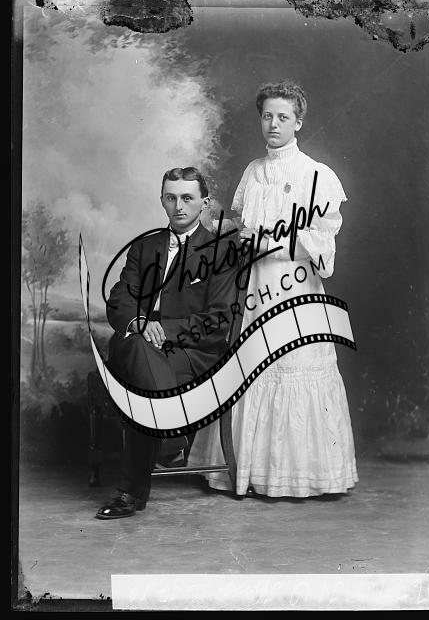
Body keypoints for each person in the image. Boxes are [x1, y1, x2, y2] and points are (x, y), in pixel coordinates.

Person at [187, 80, 359, 498]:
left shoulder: (317, 175)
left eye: (283, 116)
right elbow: (244, 227)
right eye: (267, 116)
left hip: (295, 288)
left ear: (298, 122)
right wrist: (223, 226)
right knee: (251, 369)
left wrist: (268, 244)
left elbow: (322, 242)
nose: (274, 124)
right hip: (254, 289)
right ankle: (245, 471)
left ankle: (299, 477)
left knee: (293, 368)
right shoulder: (253, 171)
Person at [96, 167, 238, 519]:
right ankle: (171, 435)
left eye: (187, 198)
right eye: (171, 198)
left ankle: (130, 493)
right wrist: (140, 323)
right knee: (136, 347)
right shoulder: (144, 246)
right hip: (142, 341)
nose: (179, 206)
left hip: (192, 351)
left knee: (138, 365)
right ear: (162, 200)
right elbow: (119, 298)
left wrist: (163, 330)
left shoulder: (221, 250)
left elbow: (219, 320)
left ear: (204, 202)